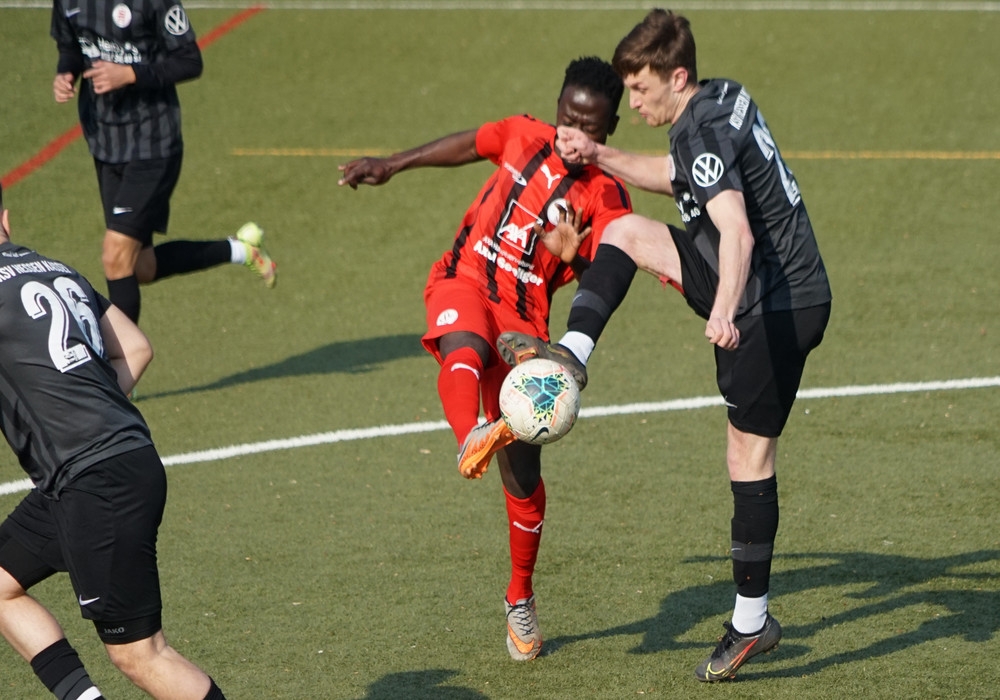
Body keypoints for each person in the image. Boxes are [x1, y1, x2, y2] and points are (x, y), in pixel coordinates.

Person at [498, 9, 832, 681]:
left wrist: (725, 309)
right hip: (765, 281)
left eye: (641, 88)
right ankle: (573, 353)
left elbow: (736, 230)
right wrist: (598, 155)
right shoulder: (719, 98)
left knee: (748, 456)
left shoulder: (699, 128)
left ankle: (751, 622)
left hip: (772, 302)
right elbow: (679, 176)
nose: (633, 102)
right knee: (624, 231)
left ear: (677, 77)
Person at [338, 57, 631, 661]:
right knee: (464, 344)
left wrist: (574, 257)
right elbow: (470, 144)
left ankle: (520, 596)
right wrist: (393, 163)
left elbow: (604, 278)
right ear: (557, 109)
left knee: (523, 478)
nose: (573, 135)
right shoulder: (523, 134)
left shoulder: (607, 195)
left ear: (609, 129)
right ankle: (471, 433)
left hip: (525, 323)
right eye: (568, 119)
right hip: (464, 277)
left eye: (589, 127)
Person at [0, 184, 226, 699]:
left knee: (141, 654)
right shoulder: (54, 269)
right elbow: (136, 348)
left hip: (93, 480)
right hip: (113, 464)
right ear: (5, 219)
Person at [50, 0, 276, 326]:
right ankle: (242, 249)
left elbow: (189, 61)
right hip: (105, 143)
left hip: (153, 144)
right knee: (140, 267)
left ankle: (122, 359)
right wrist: (66, 73)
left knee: (115, 256)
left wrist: (130, 73)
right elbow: (70, 46)